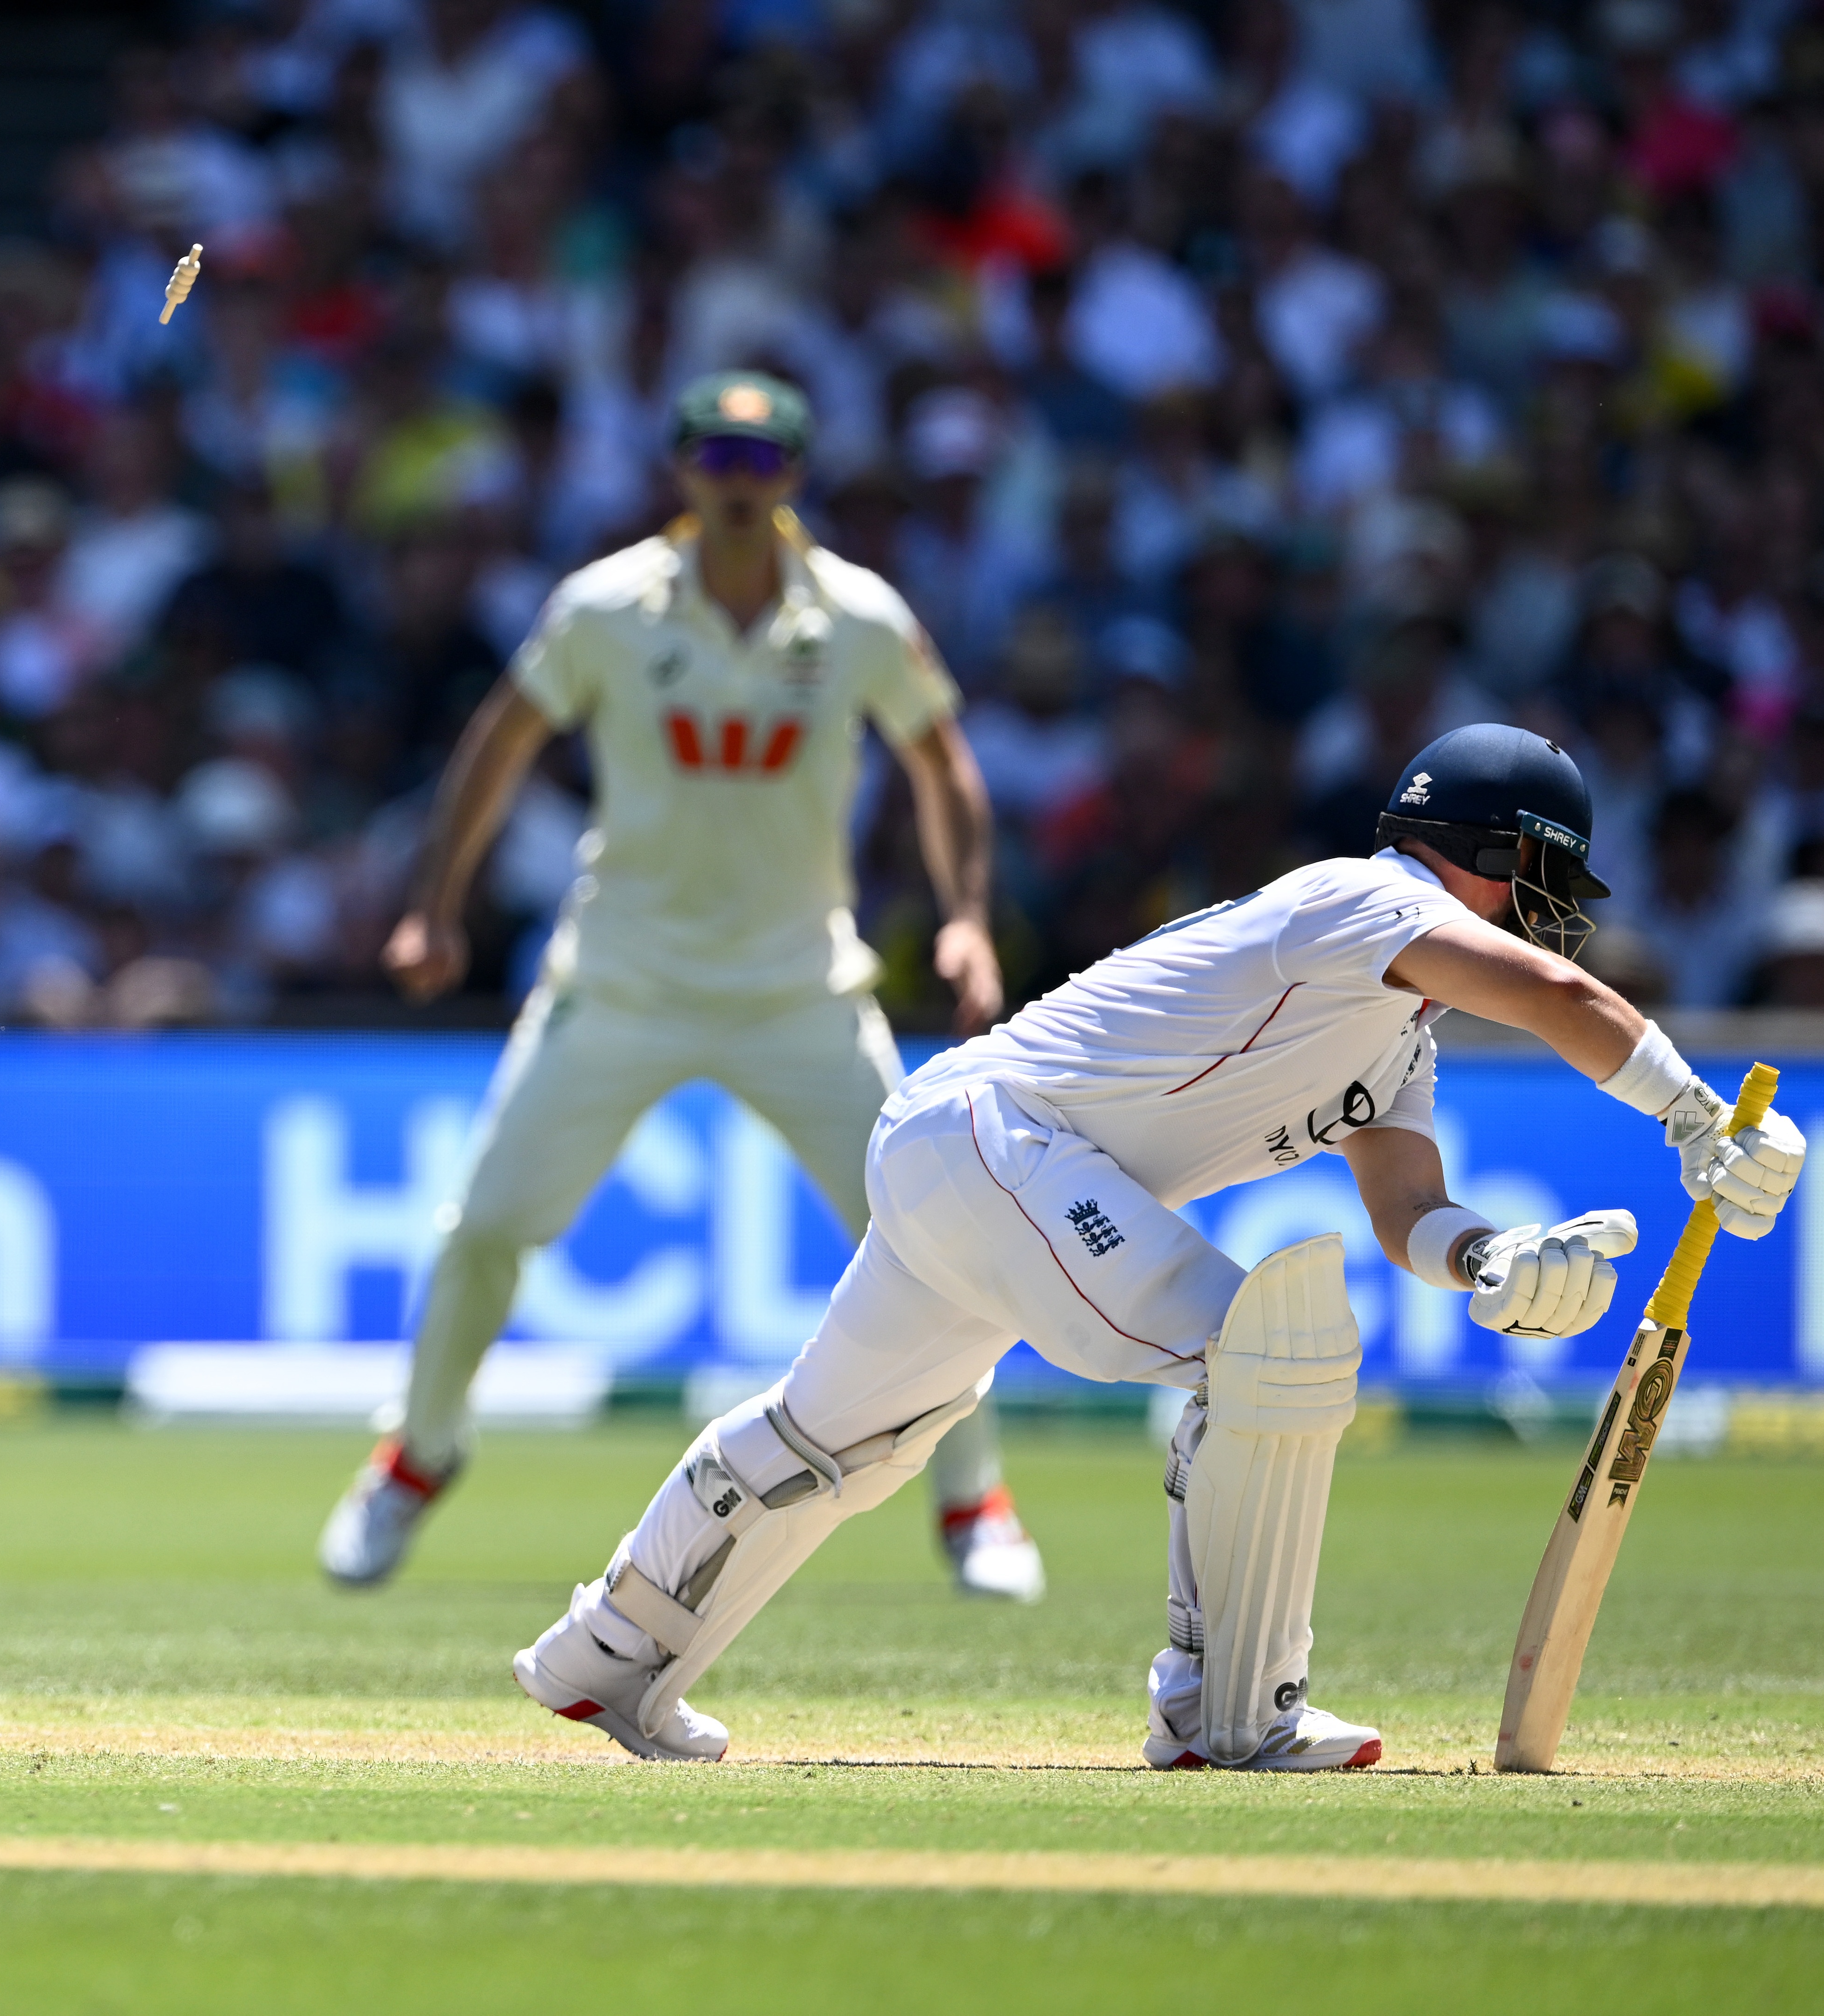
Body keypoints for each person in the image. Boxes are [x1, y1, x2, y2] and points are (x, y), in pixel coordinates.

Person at [512, 725, 1805, 1767]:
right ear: (1479, 852)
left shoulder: (1397, 1031)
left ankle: (601, 1656)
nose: (1548, 917)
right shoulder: (1357, 901)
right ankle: (1227, 1715)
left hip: (970, 1151)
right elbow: (1559, 998)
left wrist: (1485, 1262)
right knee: (1267, 1354)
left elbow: (1405, 1205)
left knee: (832, 1436)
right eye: (1541, 881)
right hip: (1001, 1139)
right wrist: (1693, 1119)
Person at [321, 370, 1046, 1601]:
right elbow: (497, 744)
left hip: (799, 985)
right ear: (679, 470)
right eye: (715, 457)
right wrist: (432, 907)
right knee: (486, 1228)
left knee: (926, 1238)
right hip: (623, 975)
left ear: (795, 479)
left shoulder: (856, 617)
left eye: (760, 463)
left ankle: (971, 1496)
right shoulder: (607, 606)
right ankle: (416, 1456)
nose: (736, 483)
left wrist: (968, 919)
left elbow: (944, 768)